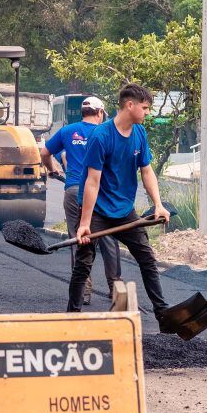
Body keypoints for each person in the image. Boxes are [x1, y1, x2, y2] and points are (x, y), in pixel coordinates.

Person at [71, 83, 171, 324]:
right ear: (130, 105)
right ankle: (71, 318)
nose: (148, 112)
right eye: (145, 108)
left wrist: (158, 204)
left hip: (125, 210)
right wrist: (85, 223)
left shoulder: (139, 134)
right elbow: (92, 182)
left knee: (147, 258)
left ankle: (164, 314)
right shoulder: (101, 136)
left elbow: (146, 171)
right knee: (84, 264)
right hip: (97, 210)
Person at [41, 95, 121, 306]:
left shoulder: (68, 131)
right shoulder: (106, 131)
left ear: (83, 112)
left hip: (74, 190)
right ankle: (116, 289)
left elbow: (45, 152)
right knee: (109, 238)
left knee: (78, 239)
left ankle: (83, 291)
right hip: (103, 192)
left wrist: (52, 170)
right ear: (100, 112)